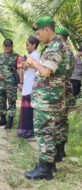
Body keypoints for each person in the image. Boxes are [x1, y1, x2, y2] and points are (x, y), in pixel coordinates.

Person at [24, 16, 66, 180]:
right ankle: (47, 164)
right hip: (50, 98)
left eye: (39, 33)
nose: (38, 37)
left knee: (45, 133)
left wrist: (33, 63)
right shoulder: (55, 45)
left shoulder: (55, 46)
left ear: (47, 30)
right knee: (50, 133)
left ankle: (45, 170)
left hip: (48, 99)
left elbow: (46, 72)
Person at [0, 39, 23, 129]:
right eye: (6, 46)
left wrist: (20, 82)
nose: (7, 47)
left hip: (11, 84)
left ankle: (10, 121)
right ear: (3, 46)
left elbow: (20, 69)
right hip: (1, 84)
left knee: (12, 102)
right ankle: (2, 119)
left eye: (9, 46)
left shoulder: (17, 56)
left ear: (12, 46)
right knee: (2, 102)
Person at [55, 26, 75, 161]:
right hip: (67, 88)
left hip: (58, 89)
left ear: (59, 36)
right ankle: (62, 150)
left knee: (56, 120)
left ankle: (56, 152)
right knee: (63, 120)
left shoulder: (59, 49)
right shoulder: (70, 51)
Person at [17, 36, 40, 139]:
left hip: (31, 87)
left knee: (28, 111)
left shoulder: (36, 55)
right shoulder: (30, 55)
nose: (26, 47)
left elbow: (35, 68)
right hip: (27, 86)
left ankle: (28, 132)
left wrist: (25, 63)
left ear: (34, 45)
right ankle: (25, 130)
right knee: (26, 110)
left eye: (28, 45)